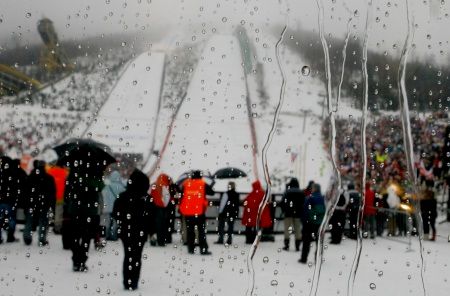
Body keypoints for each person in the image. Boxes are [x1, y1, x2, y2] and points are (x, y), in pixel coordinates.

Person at [113, 169, 152, 290]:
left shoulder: (123, 196)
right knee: (137, 256)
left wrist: (123, 222)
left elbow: (116, 213)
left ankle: (127, 281)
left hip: (126, 231)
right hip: (141, 232)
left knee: (128, 255)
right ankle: (134, 281)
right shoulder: (146, 198)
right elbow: (151, 216)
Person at [64, 164, 103, 272]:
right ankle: (82, 260)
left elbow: (67, 191)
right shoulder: (95, 175)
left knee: (75, 236)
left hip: (75, 210)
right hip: (90, 212)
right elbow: (101, 187)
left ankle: (76, 259)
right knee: (86, 237)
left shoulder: (73, 175)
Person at [179, 170, 214, 255]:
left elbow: (181, 194)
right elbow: (212, 193)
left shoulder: (186, 183)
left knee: (190, 231)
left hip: (187, 211)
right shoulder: (203, 184)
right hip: (199, 211)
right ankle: (203, 249)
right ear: (200, 176)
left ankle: (191, 249)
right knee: (201, 231)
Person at [23, 160, 56, 246]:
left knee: (29, 221)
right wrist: (52, 205)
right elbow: (52, 193)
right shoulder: (49, 178)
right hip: (44, 203)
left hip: (31, 203)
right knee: (43, 222)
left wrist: (25, 204)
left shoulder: (30, 177)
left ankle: (27, 237)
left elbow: (25, 192)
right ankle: (42, 239)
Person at [299, 183, 325, 264]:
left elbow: (305, 211)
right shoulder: (323, 198)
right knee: (319, 242)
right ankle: (318, 259)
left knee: (306, 241)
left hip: (309, 223)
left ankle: (304, 258)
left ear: (314, 189)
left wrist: (304, 221)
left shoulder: (309, 198)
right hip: (320, 223)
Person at [149, 173, 175, 246]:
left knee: (153, 224)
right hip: (161, 208)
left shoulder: (153, 184)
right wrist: (164, 205)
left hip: (152, 207)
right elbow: (167, 197)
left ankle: (153, 239)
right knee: (161, 225)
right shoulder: (165, 185)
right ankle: (161, 241)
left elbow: (148, 195)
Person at [100, 170, 125, 241]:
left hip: (107, 208)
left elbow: (103, 196)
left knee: (105, 223)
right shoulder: (122, 187)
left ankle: (105, 235)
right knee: (115, 223)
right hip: (116, 208)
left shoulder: (107, 186)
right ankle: (113, 236)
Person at [281, 178, 304, 251]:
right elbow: (303, 203)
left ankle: (286, 245)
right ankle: (297, 246)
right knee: (298, 230)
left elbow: (283, 202)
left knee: (287, 230)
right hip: (298, 214)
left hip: (288, 213)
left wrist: (284, 210)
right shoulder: (301, 192)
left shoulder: (287, 192)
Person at [0, 156, 16, 243]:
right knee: (11, 219)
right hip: (9, 200)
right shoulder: (12, 173)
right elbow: (15, 188)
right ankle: (10, 236)